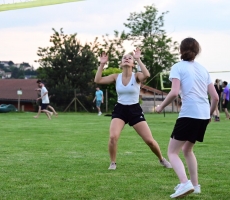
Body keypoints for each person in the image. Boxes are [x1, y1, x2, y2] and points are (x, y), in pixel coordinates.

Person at [155, 38, 219, 198]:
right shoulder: (203, 70)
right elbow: (215, 97)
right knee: (188, 149)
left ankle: (185, 183)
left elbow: (174, 92)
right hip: (203, 114)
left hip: (189, 113)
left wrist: (161, 107)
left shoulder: (177, 67)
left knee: (172, 152)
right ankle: (195, 185)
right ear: (197, 51)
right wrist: (209, 115)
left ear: (180, 50)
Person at [94, 48, 172, 170]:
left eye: (129, 58)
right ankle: (113, 163)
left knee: (149, 141)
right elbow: (98, 80)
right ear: (121, 63)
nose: (127, 59)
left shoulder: (136, 76)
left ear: (132, 64)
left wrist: (138, 59)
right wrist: (102, 64)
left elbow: (147, 75)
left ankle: (161, 159)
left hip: (134, 110)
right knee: (113, 137)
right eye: (124, 57)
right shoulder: (116, 77)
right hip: (120, 110)